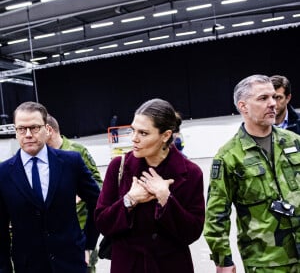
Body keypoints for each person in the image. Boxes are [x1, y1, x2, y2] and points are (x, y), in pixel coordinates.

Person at [95, 98, 205, 273]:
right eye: (133, 130)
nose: (134, 139)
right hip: (129, 266)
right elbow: (102, 223)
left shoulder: (191, 173)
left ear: (166, 135)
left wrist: (166, 199)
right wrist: (130, 199)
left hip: (171, 266)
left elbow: (192, 232)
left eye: (143, 133)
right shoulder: (118, 167)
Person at [204, 75, 300, 273]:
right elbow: (216, 215)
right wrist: (223, 261)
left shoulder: (294, 142)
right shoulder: (229, 156)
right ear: (243, 106)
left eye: (274, 97)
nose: (273, 103)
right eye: (263, 98)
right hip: (268, 261)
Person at [0, 101, 100, 273]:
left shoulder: (71, 162)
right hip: (29, 266)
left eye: (35, 127)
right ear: (16, 132)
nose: (28, 134)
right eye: (22, 129)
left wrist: (88, 242)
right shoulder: (3, 173)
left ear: (47, 129)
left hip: (71, 263)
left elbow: (97, 201)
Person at [46, 114, 103, 273]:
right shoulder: (41, 156)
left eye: (37, 129)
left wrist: (78, 193)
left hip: (82, 229)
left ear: (49, 130)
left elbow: (98, 186)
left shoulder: (77, 151)